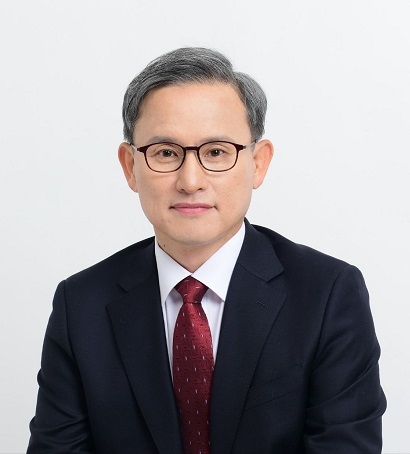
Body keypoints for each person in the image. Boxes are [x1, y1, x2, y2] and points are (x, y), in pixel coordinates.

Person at [27, 47, 386, 454]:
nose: (190, 180)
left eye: (216, 152)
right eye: (165, 153)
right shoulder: (81, 305)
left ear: (258, 163)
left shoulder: (327, 294)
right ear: (130, 166)